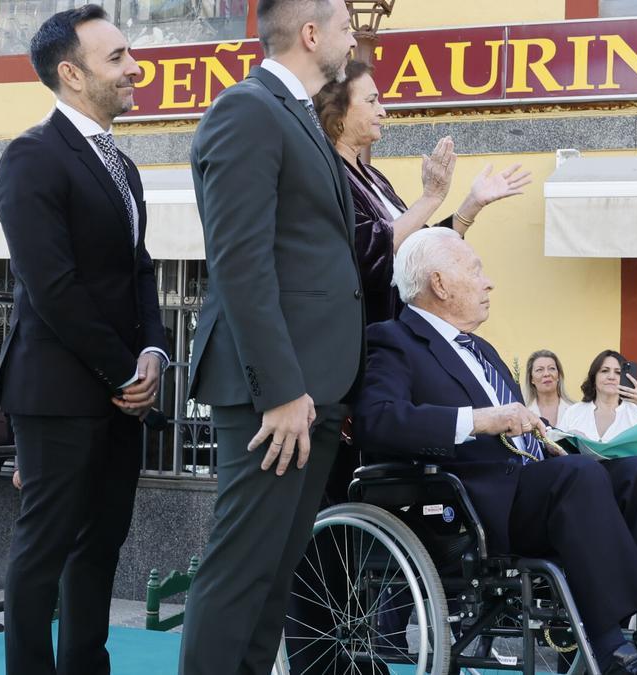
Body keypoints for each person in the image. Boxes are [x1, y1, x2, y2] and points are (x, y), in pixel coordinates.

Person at [353, 228, 637, 675]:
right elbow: (377, 421)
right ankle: (611, 648)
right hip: (469, 508)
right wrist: (481, 419)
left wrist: (558, 440)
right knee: (578, 478)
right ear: (440, 284)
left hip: (533, 490)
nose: (489, 282)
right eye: (476, 270)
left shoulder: (482, 349)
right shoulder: (394, 340)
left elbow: (530, 435)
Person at [176, 0, 364, 671]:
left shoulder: (295, 116)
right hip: (274, 394)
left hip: (311, 391)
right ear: (311, 35)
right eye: (347, 25)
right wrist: (282, 389)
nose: (355, 37)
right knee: (239, 578)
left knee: (271, 582)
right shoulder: (248, 110)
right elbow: (240, 261)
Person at [0, 6, 170, 674]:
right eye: (118, 57)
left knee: (100, 548)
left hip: (122, 391)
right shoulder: (31, 157)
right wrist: (123, 370)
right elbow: (52, 286)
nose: (135, 67)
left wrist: (153, 353)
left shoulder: (122, 166)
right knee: (42, 551)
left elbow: (142, 270)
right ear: (71, 73)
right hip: (58, 391)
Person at [313, 59, 531, 323]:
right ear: (338, 113)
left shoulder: (373, 177)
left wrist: (472, 204)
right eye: (371, 101)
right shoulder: (327, 177)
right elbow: (367, 252)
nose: (382, 111)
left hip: (402, 330)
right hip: (369, 337)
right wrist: (431, 197)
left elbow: (422, 251)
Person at [559, 350, 637, 443]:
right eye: (605, 371)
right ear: (594, 377)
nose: (611, 377)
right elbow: (557, 447)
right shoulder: (573, 412)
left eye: (618, 372)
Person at [523, 349, 574, 426]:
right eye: (539, 370)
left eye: (551, 368)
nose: (546, 374)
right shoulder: (523, 412)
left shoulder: (575, 410)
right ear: (531, 379)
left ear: (558, 376)